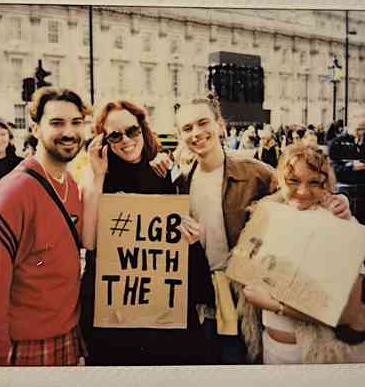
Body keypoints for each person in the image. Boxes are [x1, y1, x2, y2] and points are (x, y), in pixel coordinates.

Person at [152, 97, 351, 364]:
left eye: (203, 123)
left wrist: (336, 202)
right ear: (179, 135)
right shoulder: (180, 182)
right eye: (187, 128)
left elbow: (302, 197)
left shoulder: (257, 173)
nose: (196, 133)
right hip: (203, 297)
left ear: (220, 124)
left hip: (249, 296)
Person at [81, 100, 214, 366]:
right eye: (115, 135)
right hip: (117, 307)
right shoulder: (96, 176)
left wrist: (187, 231)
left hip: (162, 303)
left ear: (142, 128)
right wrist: (96, 177)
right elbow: (89, 241)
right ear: (103, 139)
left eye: (132, 130)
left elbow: (174, 229)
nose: (126, 140)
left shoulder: (161, 169)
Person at [0, 87, 92, 366]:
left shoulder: (71, 184)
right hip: (24, 345)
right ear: (35, 128)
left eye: (76, 122)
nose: (69, 132)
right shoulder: (14, 192)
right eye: (57, 123)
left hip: (67, 335)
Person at [242, 144, 365, 364]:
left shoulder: (342, 225)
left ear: (326, 184)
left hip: (317, 355)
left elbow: (348, 313)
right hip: (271, 349)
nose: (303, 191)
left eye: (314, 182)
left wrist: (275, 305)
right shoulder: (266, 217)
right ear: (280, 180)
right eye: (294, 181)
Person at [329, 112, 365, 185]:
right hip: (344, 186)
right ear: (350, 125)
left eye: (364, 129)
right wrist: (351, 166)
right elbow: (331, 169)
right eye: (358, 129)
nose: (361, 133)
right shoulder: (337, 142)